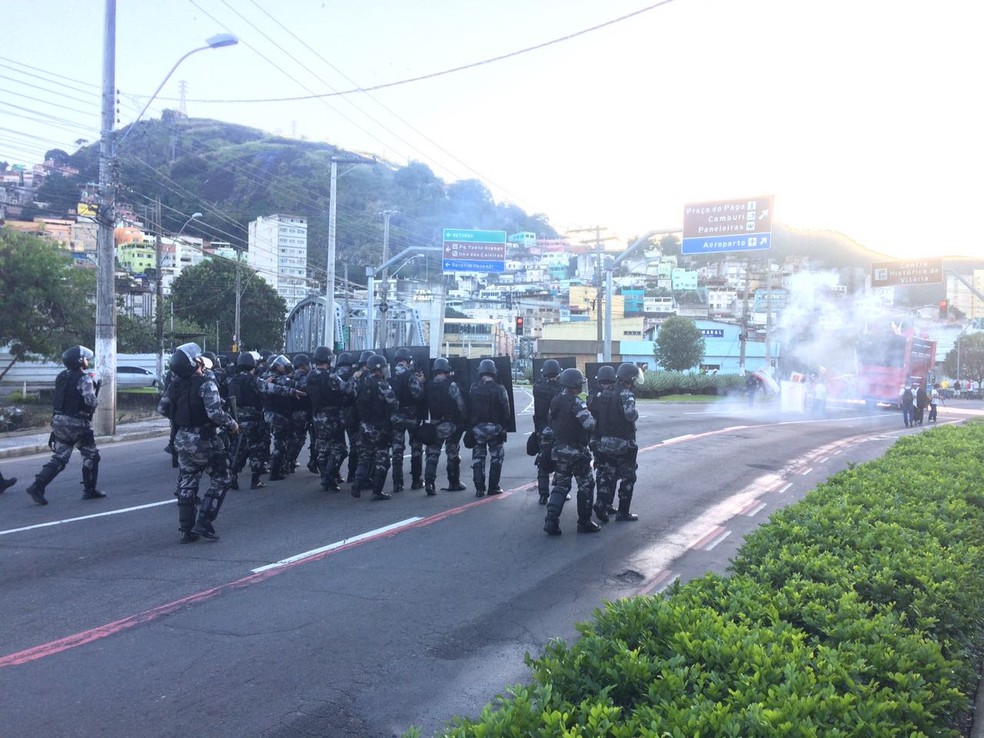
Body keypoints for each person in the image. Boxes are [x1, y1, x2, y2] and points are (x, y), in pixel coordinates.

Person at [157, 343, 239, 543]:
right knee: (223, 476)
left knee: (187, 480)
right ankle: (204, 521)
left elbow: (162, 408)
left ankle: (186, 529)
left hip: (182, 438)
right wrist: (232, 424)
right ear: (193, 363)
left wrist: (181, 417)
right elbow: (215, 413)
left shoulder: (174, 385)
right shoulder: (206, 383)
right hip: (203, 438)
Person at [25, 345, 105, 506]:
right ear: (79, 360)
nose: (87, 361)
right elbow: (90, 400)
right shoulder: (84, 378)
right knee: (91, 456)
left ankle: (37, 486)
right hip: (77, 424)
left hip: (59, 421)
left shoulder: (61, 376)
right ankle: (89, 490)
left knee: (60, 457)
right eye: (85, 358)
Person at [227, 351, 298, 489]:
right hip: (254, 419)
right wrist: (293, 391)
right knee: (257, 449)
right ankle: (255, 479)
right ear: (252, 365)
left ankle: (233, 477)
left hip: (238, 420)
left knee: (239, 450)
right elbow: (273, 389)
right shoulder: (254, 380)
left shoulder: (232, 380)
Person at [542, 368, 599, 536]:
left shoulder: (556, 400)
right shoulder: (577, 402)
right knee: (586, 485)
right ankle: (584, 522)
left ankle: (551, 521)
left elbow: (551, 421)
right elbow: (589, 424)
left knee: (560, 486)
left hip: (559, 450)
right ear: (575, 384)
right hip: (576, 452)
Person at [591, 363, 640, 523]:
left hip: (605, 441)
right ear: (629, 378)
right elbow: (630, 415)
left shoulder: (606, 393)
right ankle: (623, 513)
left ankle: (601, 502)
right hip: (623, 442)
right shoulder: (626, 394)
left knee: (607, 474)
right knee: (628, 477)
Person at [355, 354, 399, 500]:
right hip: (380, 427)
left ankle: (357, 482)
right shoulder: (382, 384)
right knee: (382, 459)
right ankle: (377, 492)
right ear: (379, 368)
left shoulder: (362, 381)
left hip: (364, 425)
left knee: (365, 456)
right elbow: (393, 403)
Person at [423, 357, 468, 495]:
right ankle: (454, 482)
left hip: (434, 423)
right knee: (452, 453)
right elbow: (460, 404)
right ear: (447, 370)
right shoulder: (451, 385)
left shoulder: (428, 385)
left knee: (432, 454)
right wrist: (465, 419)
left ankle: (429, 484)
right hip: (451, 424)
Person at [467, 359, 511, 497]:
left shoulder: (473, 387)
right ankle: (493, 487)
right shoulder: (500, 388)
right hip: (495, 429)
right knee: (496, 458)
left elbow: (469, 406)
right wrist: (503, 426)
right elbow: (506, 410)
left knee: (478, 458)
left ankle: (479, 488)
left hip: (477, 429)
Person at [389, 347, 425, 494]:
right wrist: (421, 382)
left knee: (397, 449)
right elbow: (418, 395)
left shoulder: (389, 373)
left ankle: (397, 483)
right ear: (408, 360)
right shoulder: (410, 376)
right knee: (416, 447)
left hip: (395, 416)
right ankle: (416, 481)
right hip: (411, 415)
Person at [532, 359, 563, 505]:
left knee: (543, 461)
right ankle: (559, 491)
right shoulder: (561, 389)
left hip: (542, 429)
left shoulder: (537, 387)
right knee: (559, 461)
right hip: (558, 429)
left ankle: (543, 495)